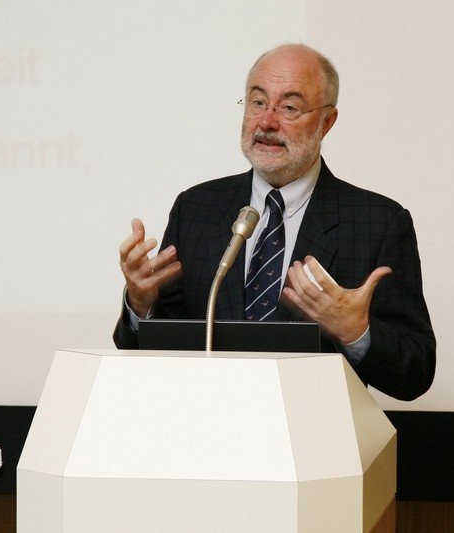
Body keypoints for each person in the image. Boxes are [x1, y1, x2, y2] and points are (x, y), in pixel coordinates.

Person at [113, 43, 435, 401]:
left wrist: (357, 332)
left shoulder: (379, 223)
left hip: (313, 428)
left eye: (289, 107)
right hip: (206, 421)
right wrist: (141, 304)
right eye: (257, 102)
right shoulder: (196, 208)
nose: (266, 122)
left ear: (327, 122)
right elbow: (150, 351)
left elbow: (416, 372)